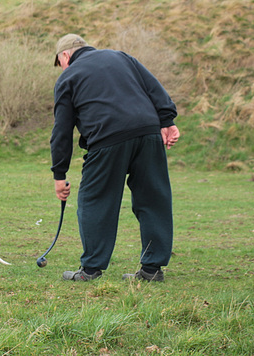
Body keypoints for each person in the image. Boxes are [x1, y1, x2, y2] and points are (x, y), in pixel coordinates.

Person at [49, 34, 180, 282]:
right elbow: (154, 88)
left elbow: (62, 131)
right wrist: (167, 121)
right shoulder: (121, 57)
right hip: (148, 133)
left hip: (107, 139)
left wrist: (60, 174)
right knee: (154, 200)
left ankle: (90, 270)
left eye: (60, 63)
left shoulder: (68, 76)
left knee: (95, 201)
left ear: (65, 55)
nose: (62, 68)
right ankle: (152, 270)